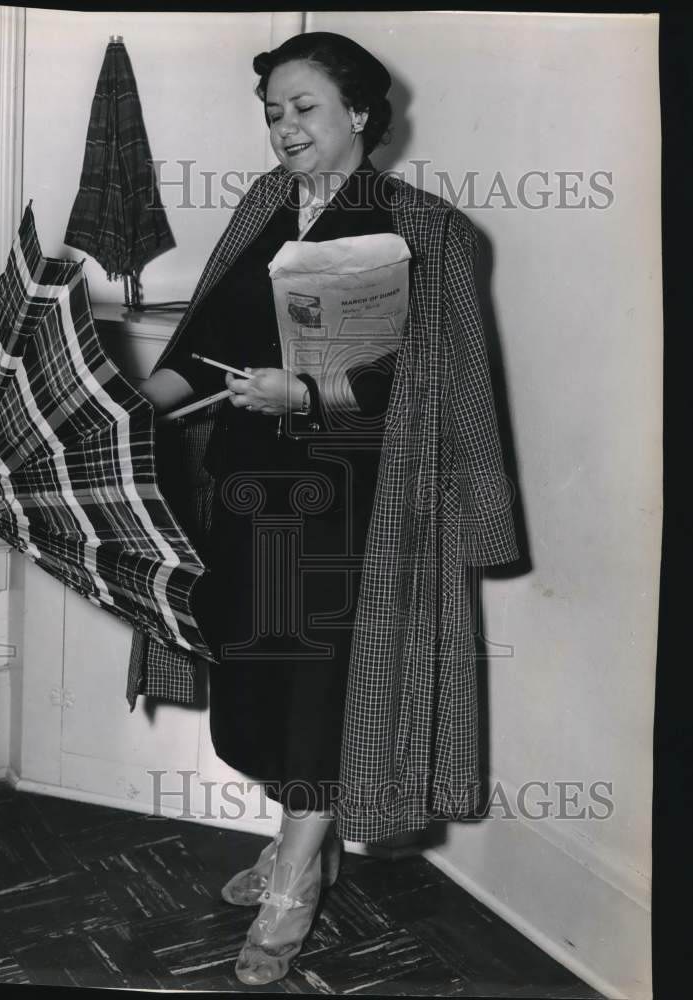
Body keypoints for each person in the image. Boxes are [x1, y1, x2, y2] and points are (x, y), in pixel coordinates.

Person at [138, 31, 517, 986]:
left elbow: (438, 379)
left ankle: (292, 887)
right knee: (260, 682)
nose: (284, 127)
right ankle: (303, 842)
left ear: (358, 115)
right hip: (247, 491)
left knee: (321, 698)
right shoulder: (264, 204)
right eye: (272, 110)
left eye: (304, 107)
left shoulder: (426, 228)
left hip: (355, 507)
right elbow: (206, 336)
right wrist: (134, 412)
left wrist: (308, 397)